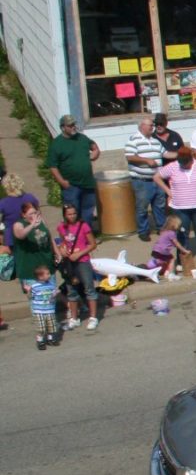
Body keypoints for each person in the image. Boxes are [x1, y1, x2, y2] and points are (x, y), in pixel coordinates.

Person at [156, 146, 196, 266]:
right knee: (182, 233)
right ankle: (182, 259)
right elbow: (157, 177)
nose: (183, 165)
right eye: (181, 162)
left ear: (191, 158)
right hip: (180, 207)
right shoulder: (173, 167)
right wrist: (168, 191)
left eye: (186, 162)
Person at [45, 114, 100, 228]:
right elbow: (53, 166)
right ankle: (71, 236)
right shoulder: (57, 144)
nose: (73, 127)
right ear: (63, 127)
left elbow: (94, 147)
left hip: (88, 183)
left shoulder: (82, 138)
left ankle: (87, 235)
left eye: (74, 124)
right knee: (71, 213)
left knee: (88, 211)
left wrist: (94, 153)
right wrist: (62, 182)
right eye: (70, 125)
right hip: (71, 185)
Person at [52, 202, 99, 332]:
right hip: (69, 262)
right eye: (69, 214)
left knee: (89, 288)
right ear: (64, 215)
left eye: (74, 213)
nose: (72, 216)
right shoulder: (62, 227)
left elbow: (92, 244)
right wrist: (62, 249)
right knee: (71, 289)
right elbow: (62, 242)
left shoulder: (83, 226)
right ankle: (74, 318)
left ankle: (93, 317)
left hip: (83, 260)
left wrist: (79, 253)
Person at [125, 117, 166, 241]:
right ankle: (143, 231)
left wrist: (180, 154)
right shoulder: (134, 139)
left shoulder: (155, 141)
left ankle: (161, 228)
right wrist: (146, 160)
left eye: (152, 125)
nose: (152, 127)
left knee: (159, 206)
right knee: (142, 207)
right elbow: (130, 157)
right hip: (142, 180)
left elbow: (165, 154)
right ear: (142, 126)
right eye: (150, 125)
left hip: (157, 179)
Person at [29, 263, 60, 351]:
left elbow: (53, 294)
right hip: (39, 310)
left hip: (50, 309)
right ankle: (40, 341)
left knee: (52, 326)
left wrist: (55, 293)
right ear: (40, 276)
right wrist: (28, 291)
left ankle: (50, 339)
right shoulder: (35, 286)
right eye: (47, 274)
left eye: (49, 273)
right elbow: (31, 296)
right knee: (41, 328)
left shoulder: (51, 284)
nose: (49, 275)